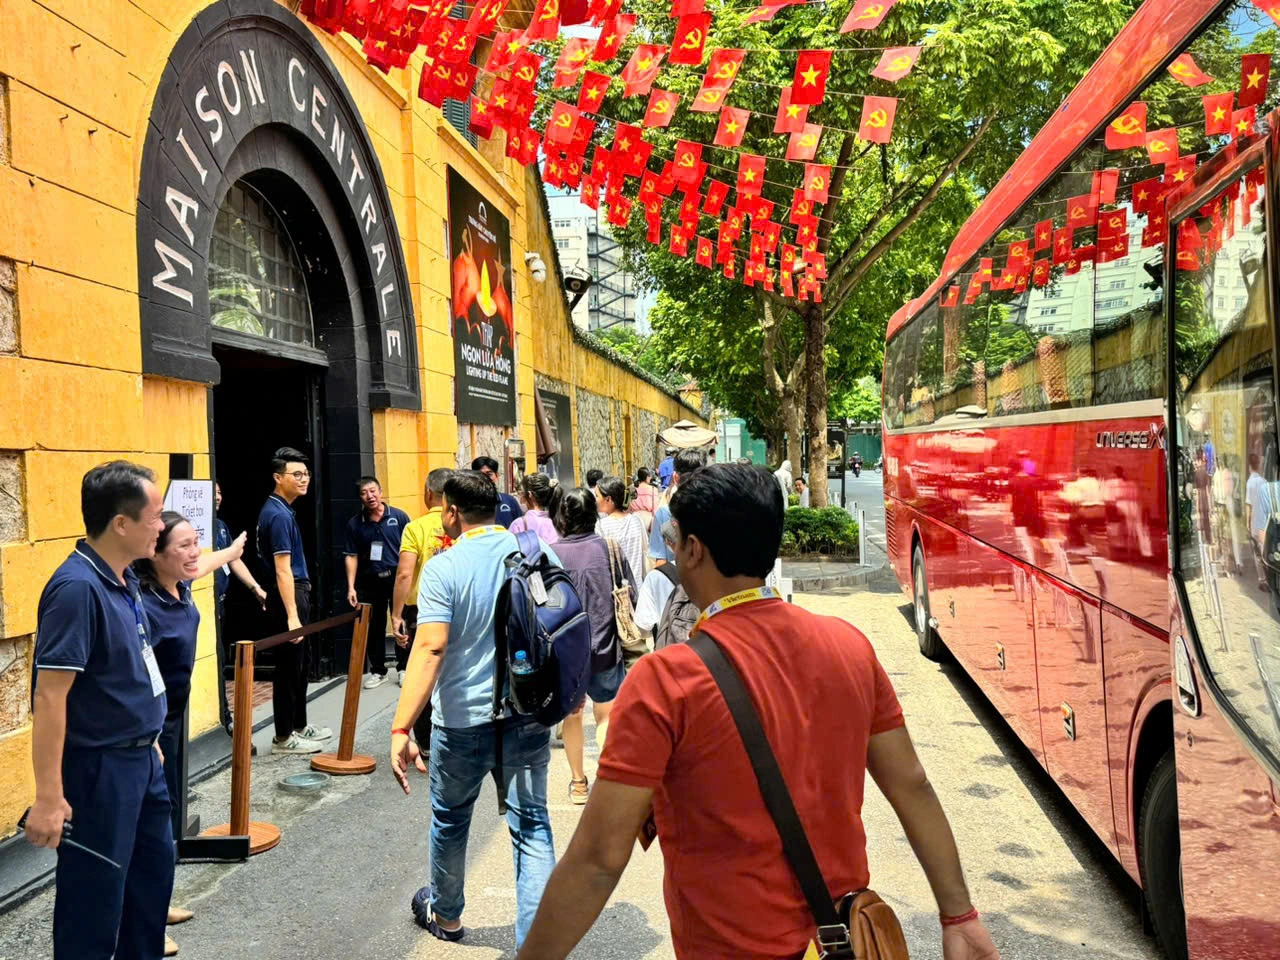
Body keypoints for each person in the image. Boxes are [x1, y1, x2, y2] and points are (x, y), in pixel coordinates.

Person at [513, 464, 1000, 960]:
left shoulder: (664, 682)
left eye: (674, 538)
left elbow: (597, 860)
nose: (672, 549)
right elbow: (911, 784)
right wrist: (959, 916)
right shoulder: (849, 646)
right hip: (838, 943)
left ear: (694, 549)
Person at [389, 471, 560, 948]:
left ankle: (445, 918)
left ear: (452, 512)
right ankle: (538, 945)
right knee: (532, 827)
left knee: (450, 818)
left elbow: (430, 649)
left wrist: (401, 727)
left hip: (461, 720)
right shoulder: (535, 555)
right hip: (526, 715)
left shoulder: (445, 566)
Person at [26, 461, 173, 959]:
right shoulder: (76, 589)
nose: (162, 524)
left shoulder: (124, 577)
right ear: (122, 524)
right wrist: (49, 797)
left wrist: (149, 738)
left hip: (141, 763)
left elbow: (128, 670)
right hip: (99, 771)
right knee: (94, 906)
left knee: (148, 891)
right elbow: (49, 697)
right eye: (154, 516)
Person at [134, 510, 246, 956]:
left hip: (173, 724)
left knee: (169, 818)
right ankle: (144, 924)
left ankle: (157, 904)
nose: (194, 550)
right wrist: (150, 734)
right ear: (155, 554)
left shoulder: (180, 587)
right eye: (183, 544)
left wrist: (232, 553)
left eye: (195, 540)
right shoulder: (141, 604)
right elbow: (134, 676)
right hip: (148, 728)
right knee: (148, 826)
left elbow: (206, 561)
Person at [551, 488, 635, 804]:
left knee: (572, 715)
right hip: (606, 643)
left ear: (561, 516)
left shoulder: (550, 553)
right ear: (593, 514)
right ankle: (610, 776)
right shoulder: (609, 548)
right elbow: (630, 594)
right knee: (607, 715)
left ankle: (578, 783)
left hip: (565, 651)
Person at [257, 447, 331, 755]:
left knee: (302, 666)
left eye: (306, 474)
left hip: (296, 592)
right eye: (296, 474)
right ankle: (284, 737)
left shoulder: (283, 510)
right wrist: (292, 616)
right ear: (278, 478)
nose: (304, 480)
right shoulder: (276, 515)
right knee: (288, 668)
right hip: (290, 594)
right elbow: (282, 569)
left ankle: (299, 725)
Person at [392, 468, 454, 701]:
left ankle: (426, 731)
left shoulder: (415, 528)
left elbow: (404, 574)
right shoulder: (462, 524)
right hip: (456, 606)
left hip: (422, 611)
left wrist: (397, 615)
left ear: (428, 493)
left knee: (422, 672)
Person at [344, 476, 411, 689]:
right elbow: (351, 555)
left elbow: (410, 550)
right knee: (375, 626)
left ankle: (403, 667)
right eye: (364, 493)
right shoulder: (355, 523)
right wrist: (351, 586)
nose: (369, 496)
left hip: (397, 578)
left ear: (380, 492)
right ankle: (378, 670)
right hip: (370, 579)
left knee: (401, 621)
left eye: (373, 491)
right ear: (360, 498)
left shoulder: (399, 517)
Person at [214, 481, 268, 731]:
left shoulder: (221, 527)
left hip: (222, 606)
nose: (217, 498)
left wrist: (255, 588)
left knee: (222, 656)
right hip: (204, 606)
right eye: (212, 493)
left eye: (220, 492)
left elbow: (233, 560)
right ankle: (224, 715)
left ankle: (225, 713)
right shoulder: (192, 528)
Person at [647, 447, 707, 566]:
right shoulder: (715, 510)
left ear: (675, 477)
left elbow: (660, 560)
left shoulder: (664, 513)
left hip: (674, 580)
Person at [594, 475, 647, 587]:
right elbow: (645, 553)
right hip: (638, 588)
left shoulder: (601, 526)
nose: (595, 500)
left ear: (608, 499)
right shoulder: (637, 521)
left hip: (618, 591)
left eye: (597, 496)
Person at [633, 520, 679, 640]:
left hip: (669, 648)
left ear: (669, 542)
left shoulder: (656, 577)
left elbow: (643, 627)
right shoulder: (711, 572)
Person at [509, 472, 564, 544]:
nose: (520, 498)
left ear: (529, 495)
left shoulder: (518, 524)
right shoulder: (558, 523)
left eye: (521, 493)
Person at [472, 456, 524, 529]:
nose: (485, 478)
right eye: (480, 475)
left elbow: (520, 528)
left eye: (489, 474)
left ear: (497, 476)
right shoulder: (468, 504)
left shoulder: (509, 501)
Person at [629, 467, 659, 532]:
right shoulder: (653, 490)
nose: (650, 478)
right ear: (647, 477)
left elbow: (627, 507)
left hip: (634, 519)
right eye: (649, 476)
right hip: (648, 521)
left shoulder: (632, 489)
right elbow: (655, 509)